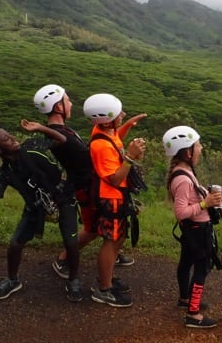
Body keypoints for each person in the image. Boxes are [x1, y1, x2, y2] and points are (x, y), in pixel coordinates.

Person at [28, 84, 135, 281]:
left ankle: (113, 253)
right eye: (67, 100)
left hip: (88, 184)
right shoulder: (55, 133)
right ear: (58, 107)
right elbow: (63, 141)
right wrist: (42, 127)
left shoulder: (60, 129)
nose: (71, 103)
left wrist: (124, 125)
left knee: (100, 226)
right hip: (85, 187)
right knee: (93, 228)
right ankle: (63, 260)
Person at [0, 122, 82, 302]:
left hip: (62, 198)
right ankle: (12, 280)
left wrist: (40, 128)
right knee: (15, 244)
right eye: (6, 139)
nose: (13, 138)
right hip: (36, 207)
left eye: (9, 135)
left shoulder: (32, 146)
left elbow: (61, 139)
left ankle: (74, 279)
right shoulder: (6, 173)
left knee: (71, 243)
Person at [83, 93, 146, 308]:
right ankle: (104, 289)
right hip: (111, 197)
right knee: (111, 242)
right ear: (108, 118)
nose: (123, 114)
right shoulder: (101, 146)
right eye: (120, 113)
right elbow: (115, 178)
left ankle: (106, 279)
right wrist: (130, 156)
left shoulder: (104, 130)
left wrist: (127, 125)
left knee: (118, 239)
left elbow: (115, 138)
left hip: (118, 196)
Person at [163, 125, 222, 329]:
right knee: (201, 268)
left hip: (191, 231)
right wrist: (206, 204)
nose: (201, 148)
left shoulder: (184, 172)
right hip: (198, 232)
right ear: (188, 152)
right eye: (197, 145)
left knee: (186, 262)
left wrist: (210, 200)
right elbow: (180, 212)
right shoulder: (183, 179)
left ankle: (185, 299)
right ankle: (193, 314)